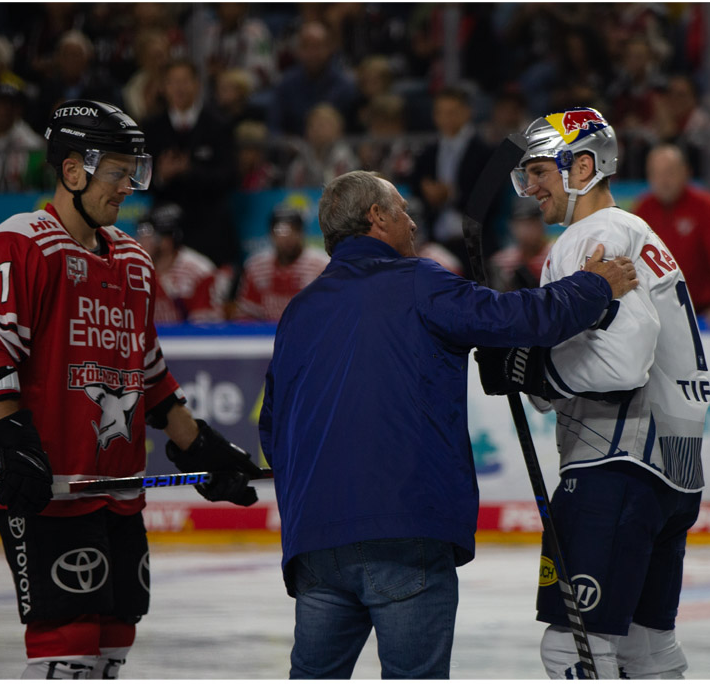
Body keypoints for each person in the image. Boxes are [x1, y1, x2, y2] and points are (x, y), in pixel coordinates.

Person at [258, 169, 639, 679]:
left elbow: (273, 430)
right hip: (403, 529)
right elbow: (516, 319)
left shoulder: (299, 312)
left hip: (315, 544)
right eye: (402, 210)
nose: (413, 222)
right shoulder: (417, 281)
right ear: (377, 217)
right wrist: (594, 286)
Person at [0, 99, 262, 679]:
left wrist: (199, 445)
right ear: (73, 171)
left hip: (117, 488)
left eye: (134, 171)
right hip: (47, 487)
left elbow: (148, 372)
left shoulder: (134, 260)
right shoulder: (22, 242)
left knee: (114, 639)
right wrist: (12, 437)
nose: (129, 187)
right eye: (117, 172)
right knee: (68, 648)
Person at [475, 108, 710, 679]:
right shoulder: (634, 230)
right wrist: (535, 365)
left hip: (615, 465)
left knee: (572, 649)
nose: (530, 187)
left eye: (539, 171)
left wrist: (533, 371)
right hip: (669, 475)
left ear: (582, 166)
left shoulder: (591, 235)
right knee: (645, 651)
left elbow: (622, 362)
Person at [143, 58, 238, 269]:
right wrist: (160, 176)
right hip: (164, 234)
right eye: (173, 82)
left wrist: (190, 171)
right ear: (164, 87)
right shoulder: (151, 128)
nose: (179, 88)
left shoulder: (219, 125)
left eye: (185, 81)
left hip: (210, 231)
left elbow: (230, 177)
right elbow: (140, 182)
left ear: (197, 85)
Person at [633, 144, 710, 327]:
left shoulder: (705, 206)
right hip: (656, 314)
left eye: (669, 172)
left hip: (701, 312)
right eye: (656, 174)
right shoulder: (642, 210)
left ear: (686, 172)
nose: (663, 180)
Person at [409, 85, 493, 274]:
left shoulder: (484, 152)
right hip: (437, 241)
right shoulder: (428, 152)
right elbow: (416, 185)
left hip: (474, 245)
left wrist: (452, 194)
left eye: (452, 112)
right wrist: (426, 192)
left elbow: (489, 199)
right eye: (440, 113)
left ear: (467, 112)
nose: (445, 119)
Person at [231, 205, 329, 322]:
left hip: (308, 329)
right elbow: (245, 314)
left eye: (293, 230)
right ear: (271, 234)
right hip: (266, 332)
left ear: (302, 233)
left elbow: (330, 310)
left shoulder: (321, 266)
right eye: (280, 231)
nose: (287, 238)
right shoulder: (256, 267)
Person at [135, 202, 227, 324]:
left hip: (186, 335)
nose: (141, 240)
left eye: (149, 235)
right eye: (141, 234)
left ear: (167, 241)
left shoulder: (198, 271)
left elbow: (205, 327)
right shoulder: (135, 269)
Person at [489, 199, 553, 291]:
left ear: (542, 224)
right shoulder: (501, 262)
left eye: (532, 223)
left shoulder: (555, 255)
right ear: (512, 226)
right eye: (522, 224)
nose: (528, 230)